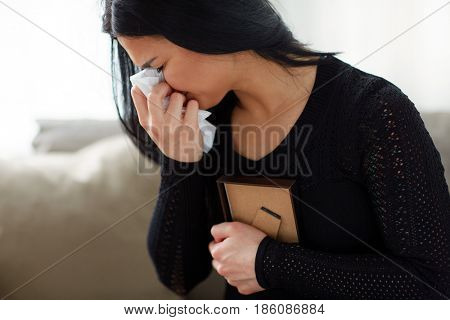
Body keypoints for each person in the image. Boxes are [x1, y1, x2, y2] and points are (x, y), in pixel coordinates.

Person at [101, 0, 450, 299]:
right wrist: (180, 159)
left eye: (158, 67)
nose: (156, 89)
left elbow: (433, 282)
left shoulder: (372, 110)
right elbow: (178, 275)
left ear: (204, 24)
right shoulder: (208, 123)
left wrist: (268, 264)